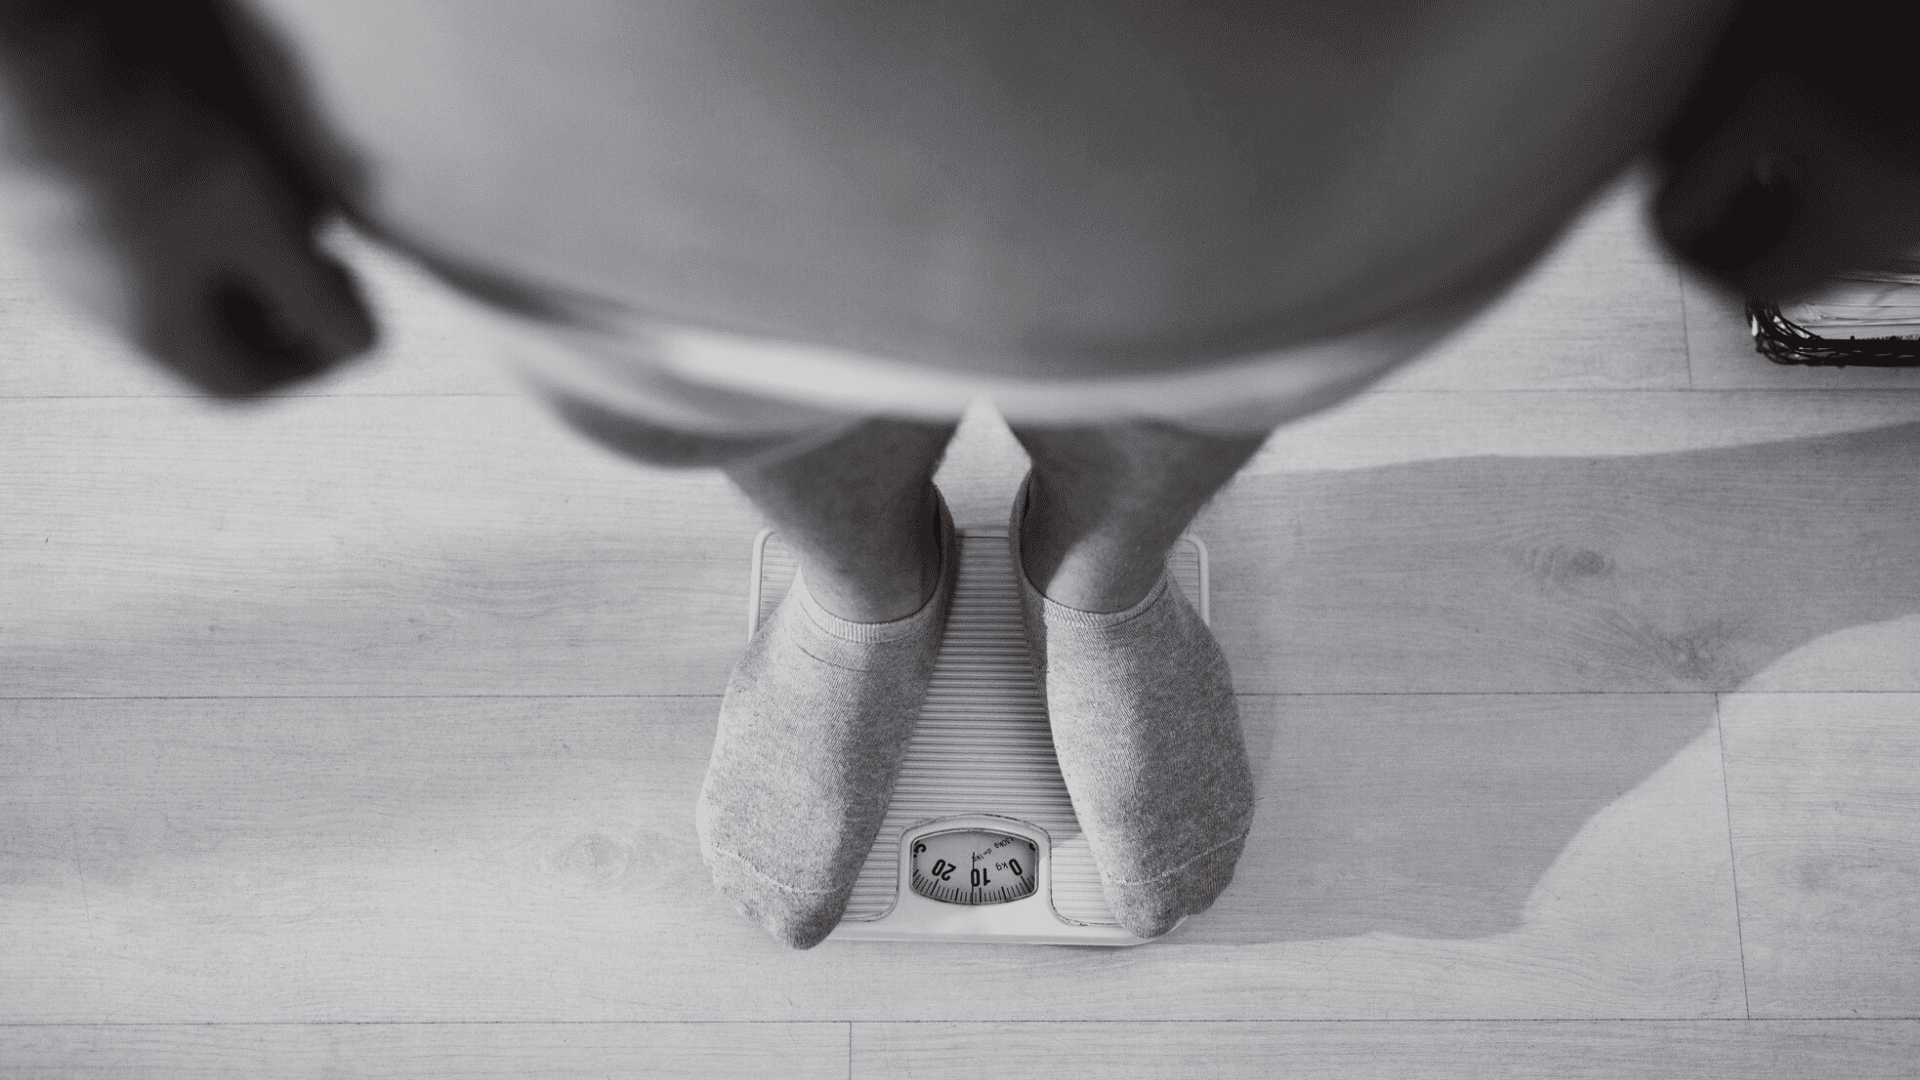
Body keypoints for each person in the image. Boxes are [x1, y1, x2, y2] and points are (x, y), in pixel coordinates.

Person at [4, 0, 1918, 948]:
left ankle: (1107, 576)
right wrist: (62, 112)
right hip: (576, 129)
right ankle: (866, 587)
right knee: (717, 390)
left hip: (1357, 122)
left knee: (1216, 361)